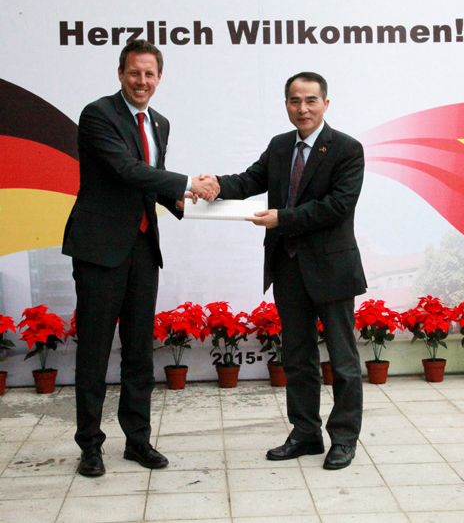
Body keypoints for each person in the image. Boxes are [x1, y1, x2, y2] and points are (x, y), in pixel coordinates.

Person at [62, 39, 219, 477]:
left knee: (138, 351)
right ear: (120, 74)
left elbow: (150, 182)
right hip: (100, 249)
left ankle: (138, 440)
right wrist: (187, 183)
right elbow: (126, 169)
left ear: (159, 78)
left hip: (143, 248)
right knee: (94, 351)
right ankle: (90, 446)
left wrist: (187, 201)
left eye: (150, 74)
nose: (142, 81)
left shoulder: (160, 123)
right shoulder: (98, 115)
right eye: (134, 72)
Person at [210, 72, 366, 470]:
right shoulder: (280, 146)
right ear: (286, 105)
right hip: (288, 266)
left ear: (325, 104)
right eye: (295, 101)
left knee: (343, 361)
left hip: (331, 269)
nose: (303, 108)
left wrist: (283, 218)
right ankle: (305, 433)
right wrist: (214, 185)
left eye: (311, 100)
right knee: (297, 358)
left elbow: (337, 206)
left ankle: (344, 439)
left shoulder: (347, 149)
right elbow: (249, 180)